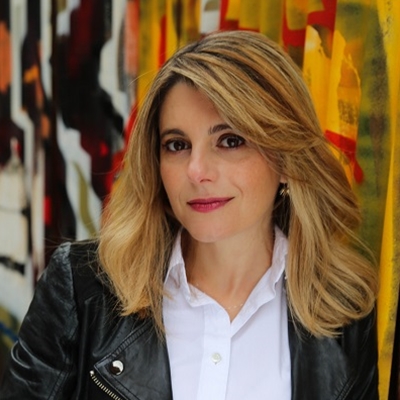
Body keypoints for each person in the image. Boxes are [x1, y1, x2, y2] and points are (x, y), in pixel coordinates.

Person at [0, 30, 379, 399]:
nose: (196, 171)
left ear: (285, 159)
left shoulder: (344, 315)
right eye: (177, 145)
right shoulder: (84, 290)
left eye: (230, 141)